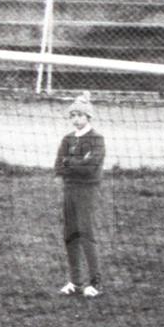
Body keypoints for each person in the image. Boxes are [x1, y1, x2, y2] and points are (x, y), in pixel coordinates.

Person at [52, 92, 105, 296]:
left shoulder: (97, 139)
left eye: (80, 115)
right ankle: (75, 282)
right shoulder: (67, 139)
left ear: (88, 117)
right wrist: (77, 162)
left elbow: (90, 168)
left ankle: (95, 283)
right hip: (69, 190)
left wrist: (70, 162)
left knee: (86, 233)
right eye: (72, 115)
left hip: (87, 190)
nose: (76, 119)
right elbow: (58, 166)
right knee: (70, 235)